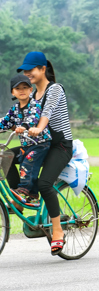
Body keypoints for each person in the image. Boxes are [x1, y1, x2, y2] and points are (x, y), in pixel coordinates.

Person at [7, 52, 73, 255]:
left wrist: (37, 127)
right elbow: (14, 117)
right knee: (6, 157)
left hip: (59, 146)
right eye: (25, 71)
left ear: (43, 69)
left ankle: (58, 231)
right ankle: (23, 195)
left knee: (45, 183)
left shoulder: (55, 89)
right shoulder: (30, 94)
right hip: (37, 145)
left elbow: (46, 113)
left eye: (31, 70)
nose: (28, 74)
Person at [0, 74, 51, 204]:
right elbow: (4, 123)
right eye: (18, 88)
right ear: (13, 91)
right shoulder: (14, 109)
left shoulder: (35, 104)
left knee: (28, 161)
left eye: (25, 87)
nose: (22, 90)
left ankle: (24, 190)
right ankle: (22, 194)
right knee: (6, 157)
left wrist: (23, 126)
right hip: (26, 145)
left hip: (40, 144)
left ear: (30, 90)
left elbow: (33, 118)